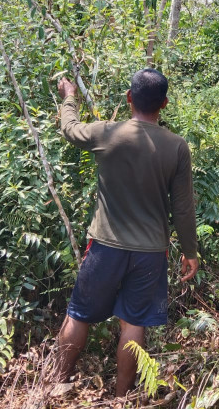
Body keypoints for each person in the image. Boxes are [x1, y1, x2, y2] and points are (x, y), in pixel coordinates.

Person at [54, 68, 198, 397]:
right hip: (150, 253)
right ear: (163, 103)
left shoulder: (107, 133)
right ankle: (122, 397)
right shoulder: (177, 147)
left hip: (105, 246)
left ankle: (58, 383)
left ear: (129, 98)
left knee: (79, 313)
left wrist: (69, 96)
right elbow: (184, 208)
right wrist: (190, 252)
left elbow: (70, 129)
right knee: (134, 323)